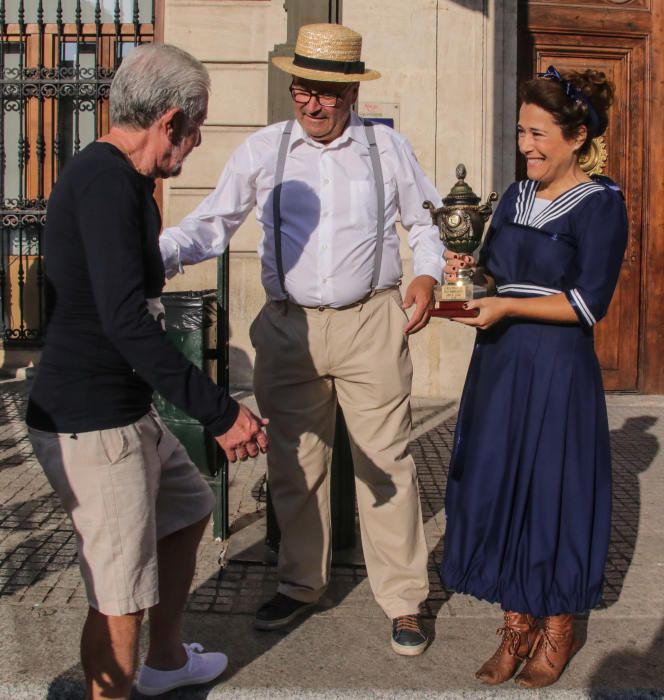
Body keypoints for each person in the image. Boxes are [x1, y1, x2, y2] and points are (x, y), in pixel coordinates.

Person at [159, 23, 444, 656]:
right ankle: (300, 584)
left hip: (370, 320)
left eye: (324, 92)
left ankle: (403, 601)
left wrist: (426, 274)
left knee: (388, 466)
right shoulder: (265, 150)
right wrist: (154, 253)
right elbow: (211, 223)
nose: (310, 103)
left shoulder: (386, 148)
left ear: (351, 93)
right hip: (288, 326)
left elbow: (425, 223)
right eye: (300, 89)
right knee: (295, 464)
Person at [26, 43, 268, 699]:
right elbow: (124, 321)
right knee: (120, 594)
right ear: (170, 121)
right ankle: (118, 685)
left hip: (124, 412)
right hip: (95, 424)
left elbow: (115, 290)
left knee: (187, 509)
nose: (192, 148)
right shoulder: (106, 182)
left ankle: (163, 664)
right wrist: (220, 412)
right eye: (195, 131)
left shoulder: (119, 181)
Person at [440, 66, 627, 688]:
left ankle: (557, 625)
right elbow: (494, 275)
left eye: (540, 133)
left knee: (552, 492)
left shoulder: (603, 204)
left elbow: (586, 302)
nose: (528, 145)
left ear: (577, 136)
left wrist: (507, 305)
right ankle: (515, 621)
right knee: (499, 483)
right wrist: (467, 274)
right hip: (499, 363)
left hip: (556, 367)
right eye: (522, 132)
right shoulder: (515, 196)